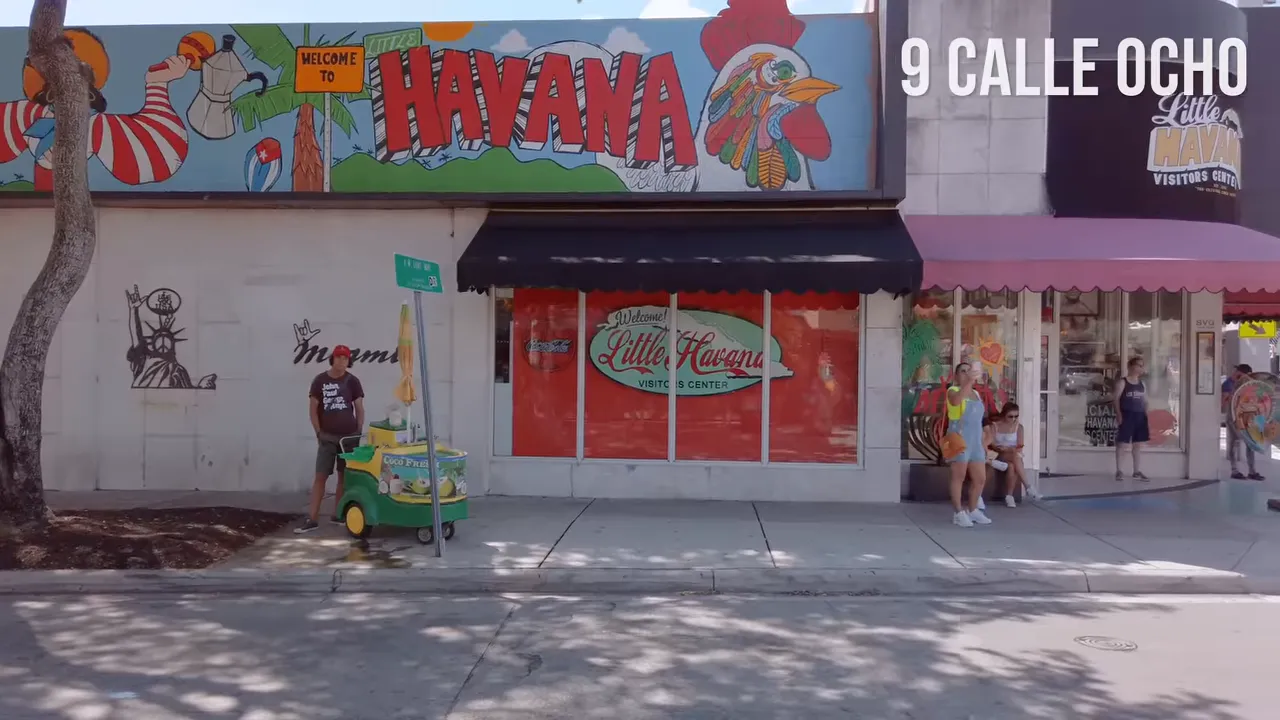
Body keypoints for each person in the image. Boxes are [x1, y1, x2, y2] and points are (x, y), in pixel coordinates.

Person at [296, 345, 365, 534]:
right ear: (332, 359)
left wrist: (358, 430)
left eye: (345, 358)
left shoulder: (353, 381)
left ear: (348, 361)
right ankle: (312, 518)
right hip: (327, 437)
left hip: (349, 438)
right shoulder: (320, 381)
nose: (341, 361)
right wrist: (318, 432)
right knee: (321, 476)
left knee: (344, 476)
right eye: (338, 357)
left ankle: (338, 515)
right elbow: (313, 409)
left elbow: (359, 408)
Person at [946, 362, 992, 527]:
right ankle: (958, 512)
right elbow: (957, 402)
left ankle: (972, 510)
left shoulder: (977, 394)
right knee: (958, 476)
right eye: (963, 371)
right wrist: (969, 382)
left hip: (975, 440)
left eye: (969, 371)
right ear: (956, 376)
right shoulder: (953, 391)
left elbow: (979, 422)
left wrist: (984, 443)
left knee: (980, 478)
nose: (966, 374)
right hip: (957, 437)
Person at [991, 402, 1039, 506]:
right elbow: (992, 444)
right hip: (999, 455)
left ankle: (1009, 496)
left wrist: (1010, 449)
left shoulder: (1019, 427)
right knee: (1015, 458)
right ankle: (1028, 487)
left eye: (1016, 416)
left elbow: (1020, 446)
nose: (1013, 419)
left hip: (1013, 455)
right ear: (1004, 415)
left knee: (1012, 465)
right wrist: (1003, 449)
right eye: (1010, 416)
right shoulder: (995, 426)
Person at [1223, 363, 1264, 480]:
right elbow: (1222, 402)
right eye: (1237, 372)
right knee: (1234, 443)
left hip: (1246, 417)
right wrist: (1233, 392)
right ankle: (1234, 470)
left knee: (1250, 444)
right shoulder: (1228, 384)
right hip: (1233, 418)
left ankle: (1252, 471)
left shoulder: (1248, 385)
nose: (1236, 374)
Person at [1114, 356, 1149, 482]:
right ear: (1131, 366)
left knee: (1137, 444)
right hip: (1127, 414)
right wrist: (1119, 414)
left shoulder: (1142, 384)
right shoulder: (1123, 382)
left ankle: (1136, 471)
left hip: (1139, 415)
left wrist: (1145, 414)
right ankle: (1119, 470)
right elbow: (1116, 399)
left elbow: (1145, 401)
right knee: (1122, 443)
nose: (1140, 368)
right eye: (1139, 365)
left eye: (1142, 365)